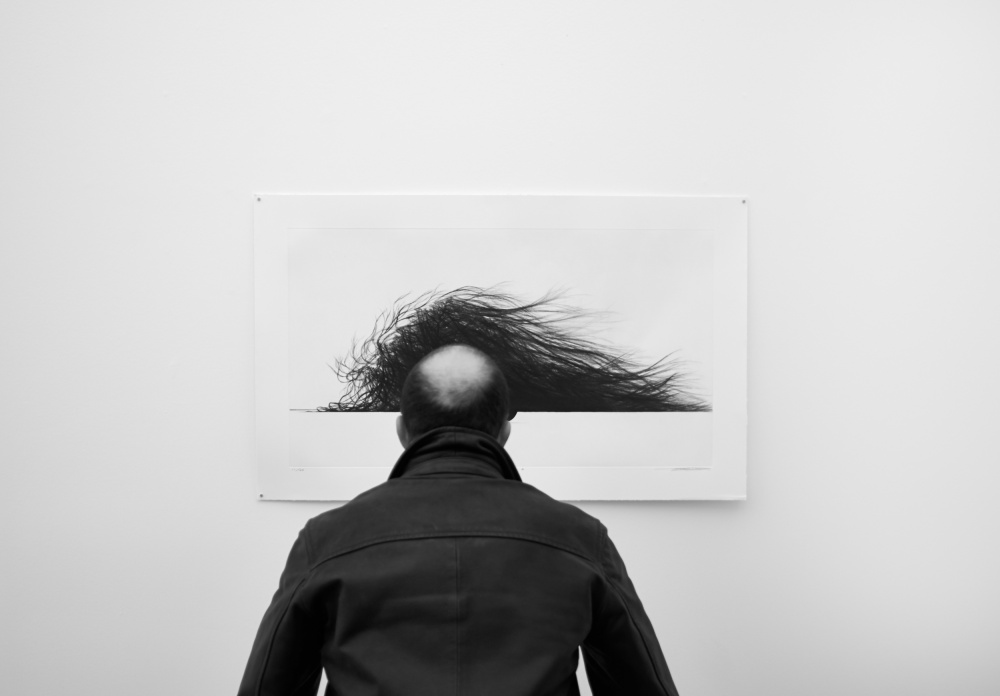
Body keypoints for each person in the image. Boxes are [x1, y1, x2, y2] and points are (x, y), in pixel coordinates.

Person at [238, 344, 680, 696]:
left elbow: (267, 687)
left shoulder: (327, 541)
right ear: (504, 432)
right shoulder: (580, 539)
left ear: (402, 430)